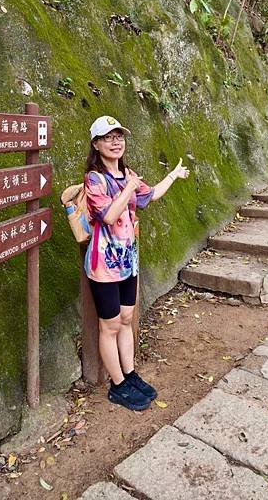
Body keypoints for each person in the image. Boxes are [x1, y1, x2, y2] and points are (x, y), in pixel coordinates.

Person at [84, 115, 189, 411]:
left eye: (119, 136)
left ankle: (129, 375)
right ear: (96, 144)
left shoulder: (126, 174)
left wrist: (172, 175)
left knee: (127, 319)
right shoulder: (95, 179)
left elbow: (150, 195)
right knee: (110, 324)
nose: (116, 142)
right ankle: (117, 385)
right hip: (104, 263)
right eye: (108, 137)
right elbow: (108, 215)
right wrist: (129, 187)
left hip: (128, 261)